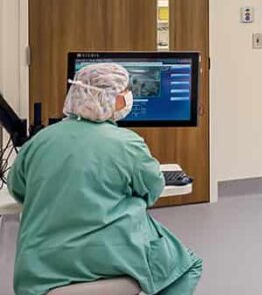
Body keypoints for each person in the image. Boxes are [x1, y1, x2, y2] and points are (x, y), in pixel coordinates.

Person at [8, 63, 203, 295]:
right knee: (187, 266)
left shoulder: (39, 142)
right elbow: (152, 189)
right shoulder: (127, 143)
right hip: (111, 259)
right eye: (126, 91)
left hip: (38, 276)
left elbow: (17, 188)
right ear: (116, 99)